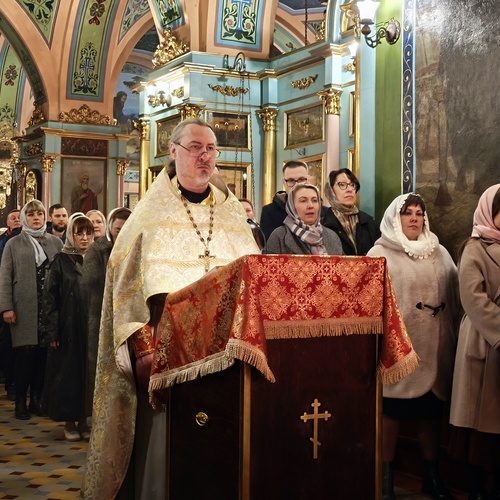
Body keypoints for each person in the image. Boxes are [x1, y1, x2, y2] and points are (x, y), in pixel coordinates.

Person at [82, 118, 259, 499]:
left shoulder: (232, 214)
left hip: (228, 354)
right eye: (195, 147)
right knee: (170, 446)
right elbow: (126, 295)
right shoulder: (147, 217)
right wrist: (145, 353)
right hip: (170, 354)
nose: (204, 156)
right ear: (173, 151)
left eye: (210, 149)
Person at [367, 193, 459, 500]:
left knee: (429, 415)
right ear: (396, 218)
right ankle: (385, 482)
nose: (414, 218)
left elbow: (454, 298)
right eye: (408, 213)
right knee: (392, 413)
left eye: (419, 213)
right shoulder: (379, 253)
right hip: (398, 351)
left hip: (435, 348)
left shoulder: (439, 251)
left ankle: (431, 477)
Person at [449, 184, 500, 500]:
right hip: (484, 339)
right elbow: (473, 298)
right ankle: (477, 489)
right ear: (490, 212)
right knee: (477, 424)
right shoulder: (475, 247)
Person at [0, 200, 63, 420]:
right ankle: (20, 401)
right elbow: (5, 277)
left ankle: (37, 399)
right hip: (23, 308)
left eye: (39, 214)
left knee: (43, 357)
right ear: (24, 218)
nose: (36, 217)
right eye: (31, 214)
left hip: (48, 309)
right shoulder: (13, 243)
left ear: (45, 217)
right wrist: (7, 307)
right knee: (23, 357)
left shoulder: (55, 242)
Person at [43, 214, 94, 441]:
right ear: (72, 235)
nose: (84, 238)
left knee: (87, 375)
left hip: (91, 326)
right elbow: (50, 299)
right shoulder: (61, 261)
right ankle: (70, 421)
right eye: (79, 233)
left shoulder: (97, 260)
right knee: (69, 375)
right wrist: (52, 331)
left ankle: (83, 419)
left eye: (88, 233)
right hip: (68, 327)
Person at [81, 207, 131, 417]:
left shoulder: (136, 245)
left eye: (126, 228)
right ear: (111, 228)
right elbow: (89, 281)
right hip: (100, 315)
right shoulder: (98, 249)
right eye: (118, 229)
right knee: (98, 365)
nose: (122, 232)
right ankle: (96, 413)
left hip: (128, 317)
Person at [263, 183, 343, 255]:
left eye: (315, 200)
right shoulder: (279, 236)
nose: (310, 206)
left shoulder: (332, 237)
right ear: (292, 206)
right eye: (303, 201)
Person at [322, 168, 380, 255]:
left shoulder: (369, 223)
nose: (349, 189)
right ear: (330, 190)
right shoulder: (323, 225)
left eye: (352, 185)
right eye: (342, 185)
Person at [0, 208, 21, 401]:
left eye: (19, 217)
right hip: (6, 297)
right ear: (7, 223)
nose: (16, 220)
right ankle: (11, 382)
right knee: (8, 343)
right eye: (12, 218)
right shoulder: (4, 242)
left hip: (23, 300)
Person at [260, 160, 310, 240]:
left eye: (301, 180)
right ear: (284, 183)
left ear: (308, 181)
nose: (296, 185)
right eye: (291, 180)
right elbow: (270, 243)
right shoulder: (269, 212)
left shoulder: (321, 211)